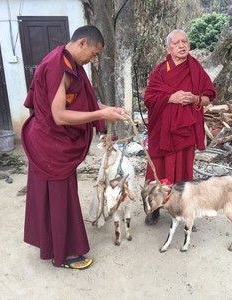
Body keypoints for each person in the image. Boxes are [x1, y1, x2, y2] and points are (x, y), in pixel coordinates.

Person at [21, 25, 128, 270]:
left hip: (52, 143)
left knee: (55, 198)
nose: (93, 59)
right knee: (59, 200)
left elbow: (84, 102)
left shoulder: (70, 64)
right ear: (81, 43)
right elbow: (59, 115)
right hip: (50, 145)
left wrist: (109, 109)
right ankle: (64, 255)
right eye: (93, 53)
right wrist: (100, 113)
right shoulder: (59, 66)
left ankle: (52, 246)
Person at [143, 29, 216, 225]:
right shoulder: (159, 71)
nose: (182, 45)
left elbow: (208, 98)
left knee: (183, 171)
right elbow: (148, 99)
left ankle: (183, 208)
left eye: (185, 42)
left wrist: (195, 98)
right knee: (157, 169)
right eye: (176, 43)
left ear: (189, 45)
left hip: (185, 130)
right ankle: (154, 207)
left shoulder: (196, 69)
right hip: (162, 131)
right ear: (168, 48)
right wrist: (170, 98)